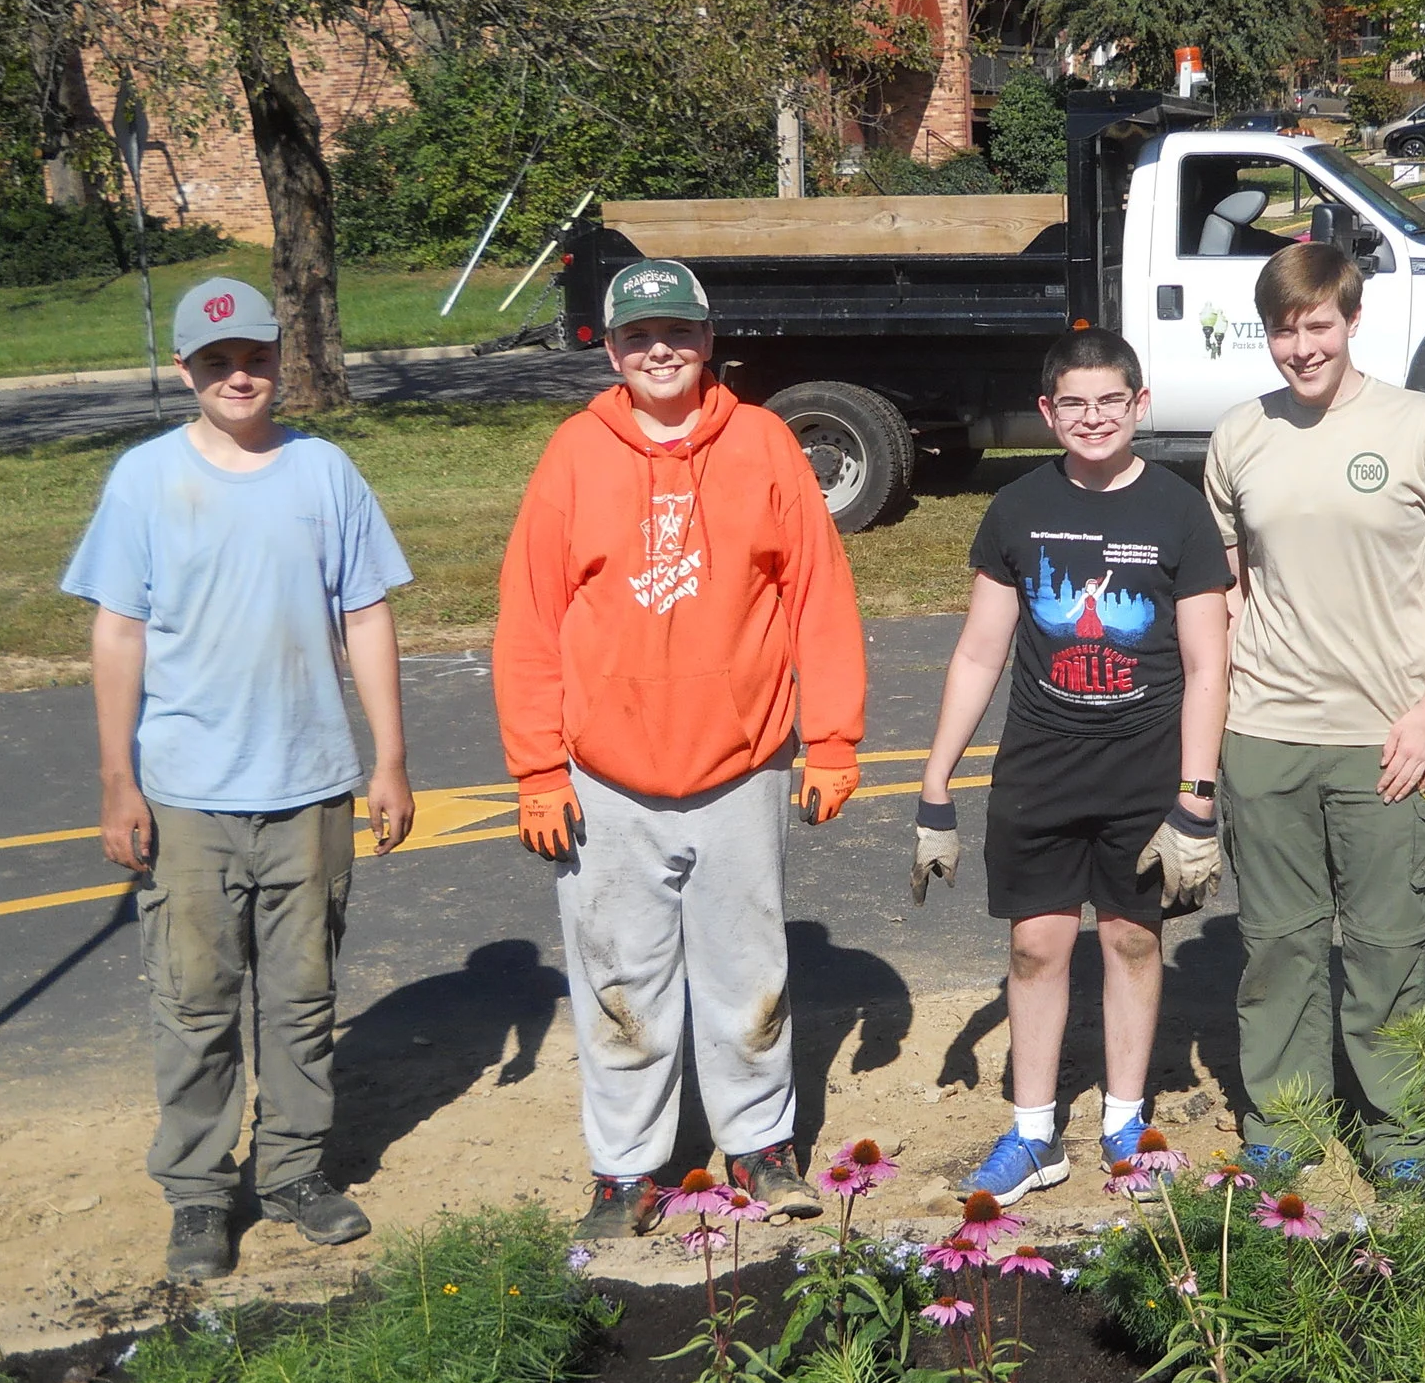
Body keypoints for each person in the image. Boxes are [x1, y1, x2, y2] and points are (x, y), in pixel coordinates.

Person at [493, 259, 867, 1237]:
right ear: (610, 349)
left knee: (751, 976)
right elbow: (529, 619)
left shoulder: (767, 445)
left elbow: (818, 599)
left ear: (709, 339)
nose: (661, 349)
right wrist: (537, 768)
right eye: (639, 335)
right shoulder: (574, 454)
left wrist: (828, 739)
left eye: (680, 332)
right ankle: (627, 1171)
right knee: (621, 983)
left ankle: (758, 1146)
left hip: (740, 768)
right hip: (605, 779)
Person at [61, 276, 414, 1280]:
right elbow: (117, 632)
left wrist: (387, 759)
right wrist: (116, 781)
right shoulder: (144, 479)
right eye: (216, 362)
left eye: (255, 357)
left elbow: (367, 615)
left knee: (302, 999)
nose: (239, 375)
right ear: (186, 372)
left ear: (278, 361)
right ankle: (200, 1193)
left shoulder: (324, 472)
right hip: (186, 793)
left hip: (309, 786)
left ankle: (295, 1170)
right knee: (196, 1002)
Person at [912, 330, 1231, 1203]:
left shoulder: (1177, 510)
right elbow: (980, 654)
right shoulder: (1016, 508)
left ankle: (1126, 1120)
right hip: (1040, 770)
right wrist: (936, 783)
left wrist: (1197, 796)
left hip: (1146, 771)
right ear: (1049, 412)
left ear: (1140, 404)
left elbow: (1209, 663)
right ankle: (1033, 1133)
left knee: (1131, 938)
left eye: (1111, 401)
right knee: (1035, 944)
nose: (1094, 418)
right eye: (1075, 404)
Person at [1205, 243, 1425, 1181]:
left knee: (1387, 948)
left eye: (1317, 324)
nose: (1301, 347)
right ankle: (1283, 1124)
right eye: (1284, 329)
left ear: (1352, 320)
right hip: (1268, 731)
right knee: (1277, 948)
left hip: (1385, 737)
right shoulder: (1240, 435)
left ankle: (1400, 1135)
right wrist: (1225, 716)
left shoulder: (1420, 425)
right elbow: (1228, 586)